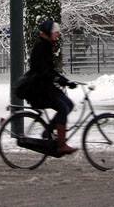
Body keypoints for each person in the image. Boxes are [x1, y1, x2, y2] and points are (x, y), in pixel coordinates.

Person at [20, 20, 78, 155]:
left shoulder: (46, 45)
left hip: (45, 87)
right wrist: (60, 79)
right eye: (55, 32)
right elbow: (44, 71)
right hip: (39, 90)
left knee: (68, 104)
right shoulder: (42, 47)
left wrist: (63, 80)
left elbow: (49, 70)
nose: (58, 35)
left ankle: (48, 131)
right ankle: (61, 144)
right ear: (48, 33)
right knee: (63, 108)